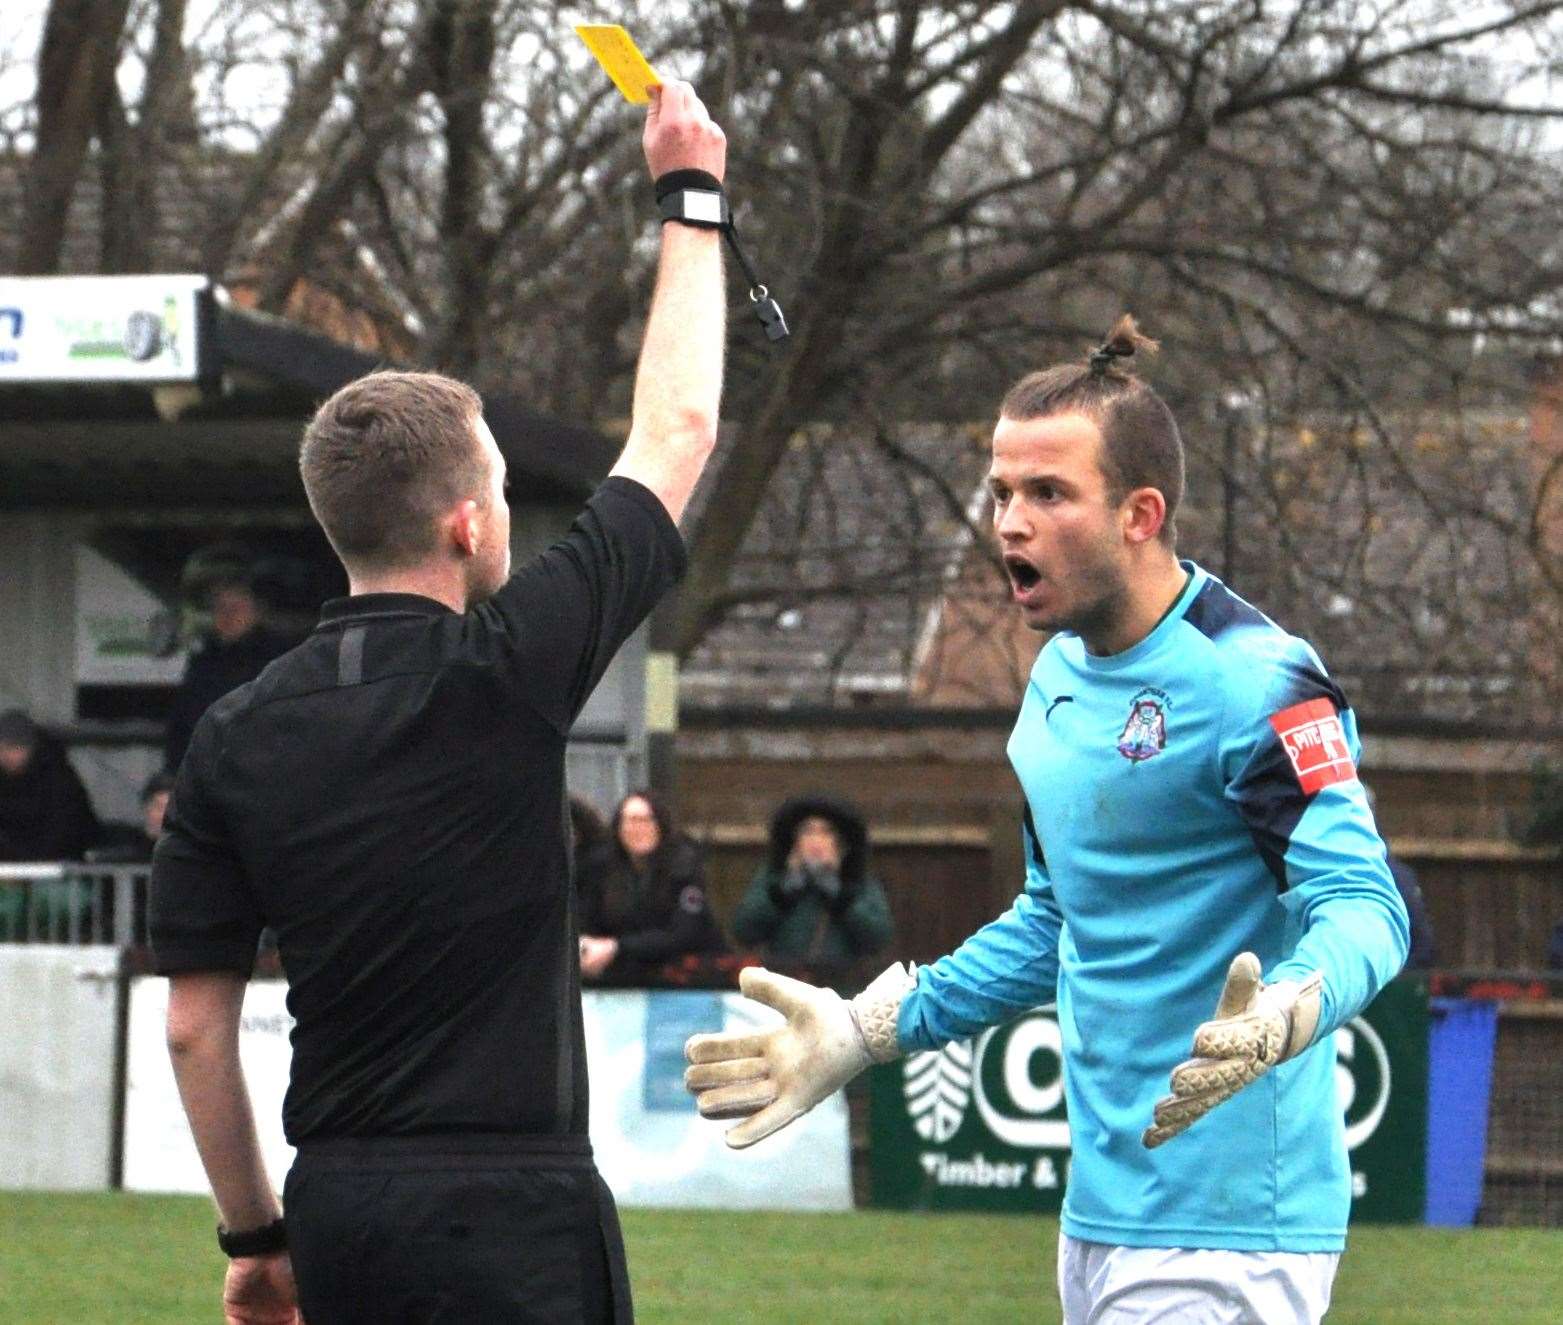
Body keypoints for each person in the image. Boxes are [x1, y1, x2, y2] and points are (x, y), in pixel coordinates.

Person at [683, 319, 1410, 1325]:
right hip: (1101, 1213)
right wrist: (866, 1028)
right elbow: (1056, 921)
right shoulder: (1057, 678)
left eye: (1049, 494)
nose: (1010, 522)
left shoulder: (1260, 683)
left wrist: (1290, 1005)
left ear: (1140, 514)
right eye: (1002, 492)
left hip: (1233, 1226)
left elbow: (1369, 903)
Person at [150, 79, 728, 1325]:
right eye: (508, 494)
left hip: (341, 1209)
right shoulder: (508, 669)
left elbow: (197, 1029)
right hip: (518, 1209)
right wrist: (692, 191)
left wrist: (256, 1236)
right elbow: (675, 430)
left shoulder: (233, 736)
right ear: (470, 523)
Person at [730, 794, 892, 972]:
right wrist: (784, 891)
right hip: (786, 982)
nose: (816, 840)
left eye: (826, 832)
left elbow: (878, 937)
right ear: (795, 841)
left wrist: (840, 896)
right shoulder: (774, 877)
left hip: (841, 986)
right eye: (808, 831)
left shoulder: (857, 880)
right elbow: (744, 931)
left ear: (839, 842)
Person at [578, 790, 726, 984]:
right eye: (631, 820)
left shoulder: (685, 868)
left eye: (646, 820)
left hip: (683, 982)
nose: (638, 828)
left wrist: (618, 947)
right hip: (621, 981)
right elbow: (587, 919)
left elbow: (685, 934)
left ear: (660, 826)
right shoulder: (602, 869)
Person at [164, 576, 294, 772]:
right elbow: (184, 721)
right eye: (221, 608)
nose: (228, 615)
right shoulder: (204, 661)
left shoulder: (276, 658)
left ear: (255, 613)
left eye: (236, 608)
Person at [0, 708, 100, 862]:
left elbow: (67, 829)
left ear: (30, 747)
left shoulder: (59, 780)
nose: (5, 756)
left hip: (57, 872)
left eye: (13, 748)